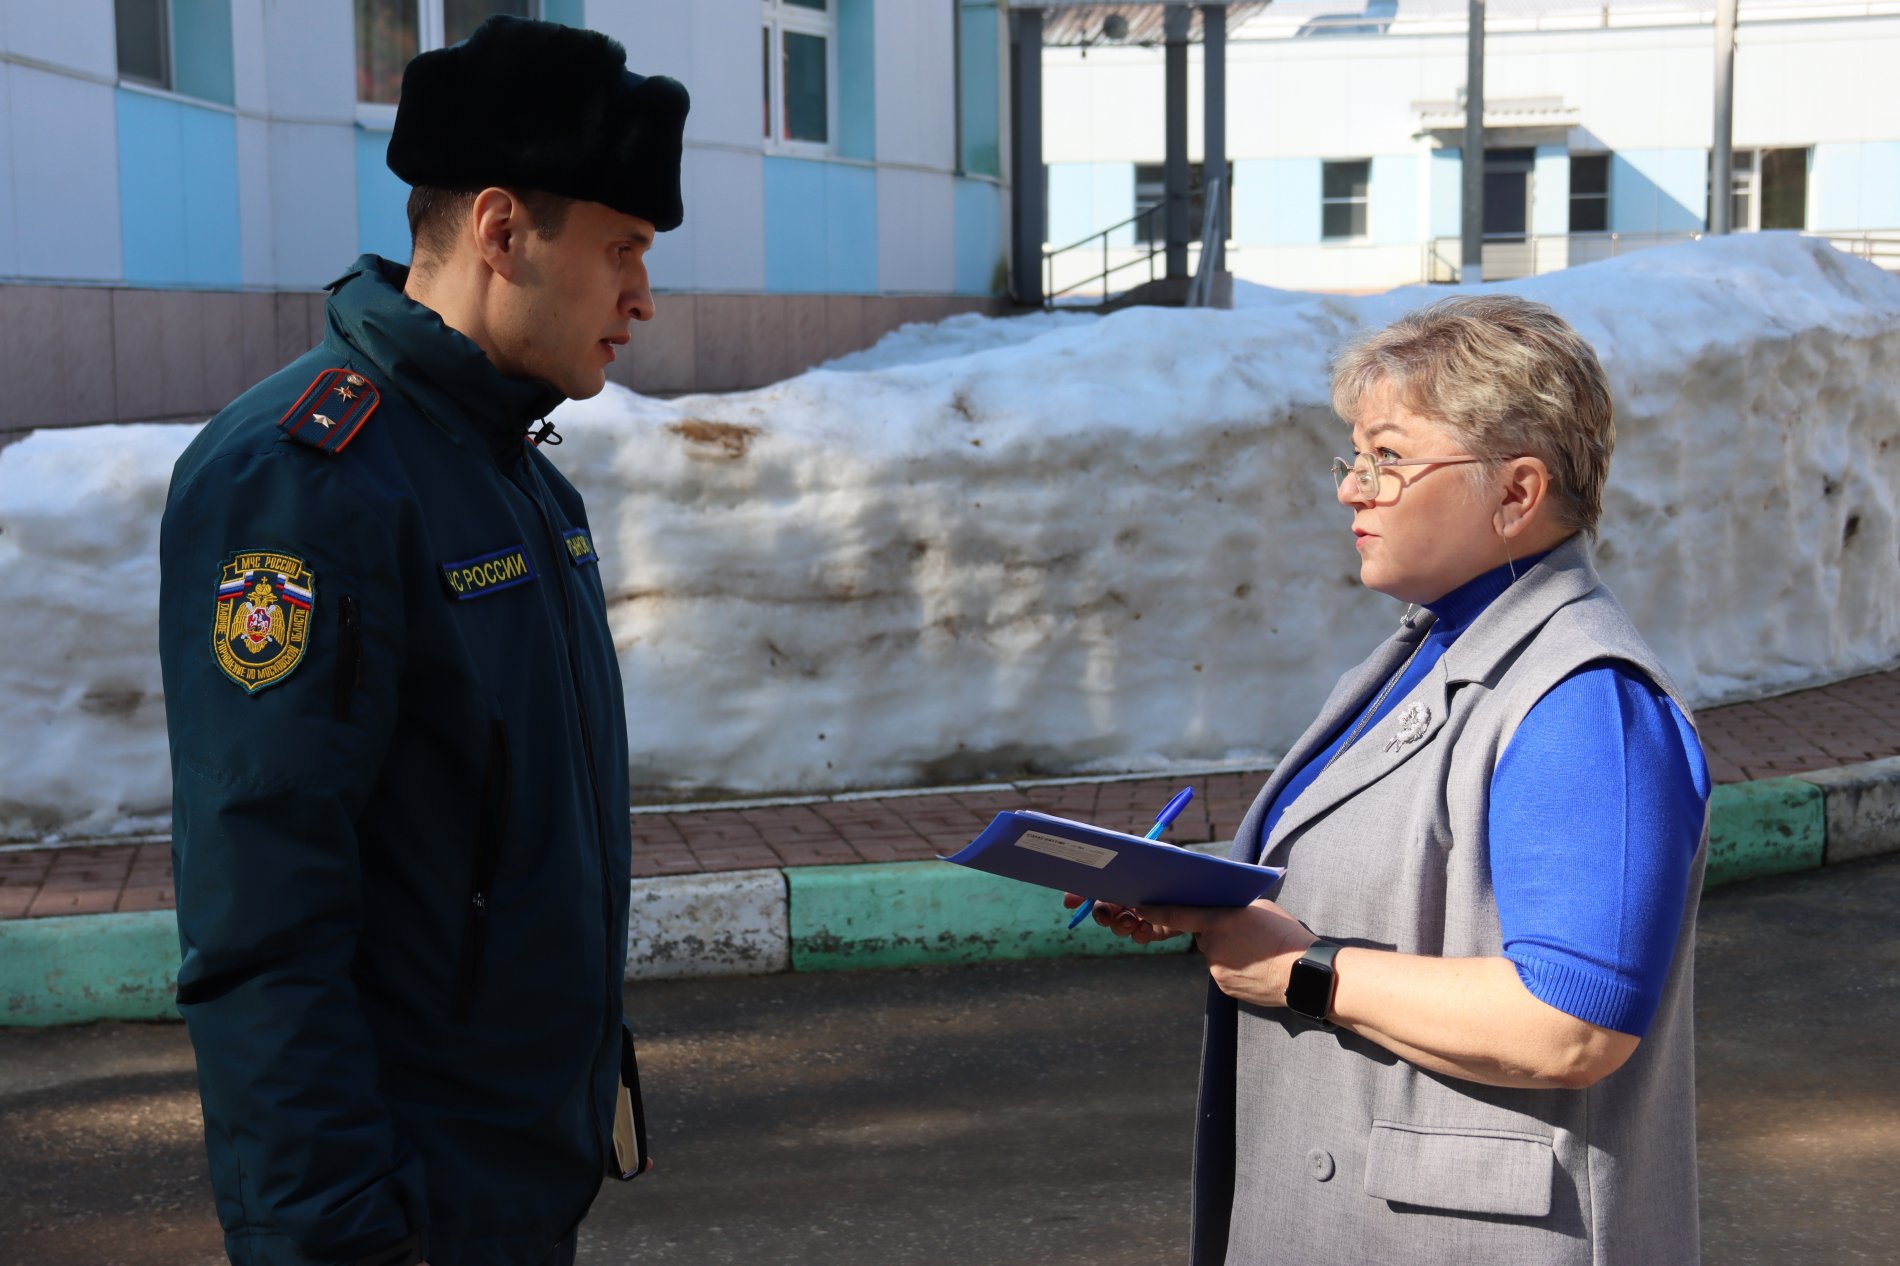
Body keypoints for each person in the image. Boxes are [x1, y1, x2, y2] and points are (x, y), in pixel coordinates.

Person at [156, 17, 688, 1266]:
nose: (643, 297)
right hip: (399, 1213)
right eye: (621, 248)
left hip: (511, 1180)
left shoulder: (519, 479)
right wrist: (333, 1236)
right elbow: (265, 914)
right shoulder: (308, 482)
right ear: (501, 231)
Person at [1073, 295, 1710, 1264]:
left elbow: (1572, 1024)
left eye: (1388, 458)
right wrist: (1202, 898)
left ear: (1516, 492)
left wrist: (1306, 971)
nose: (1352, 490)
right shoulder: (1430, 646)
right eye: (1354, 458)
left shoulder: (1586, 701)